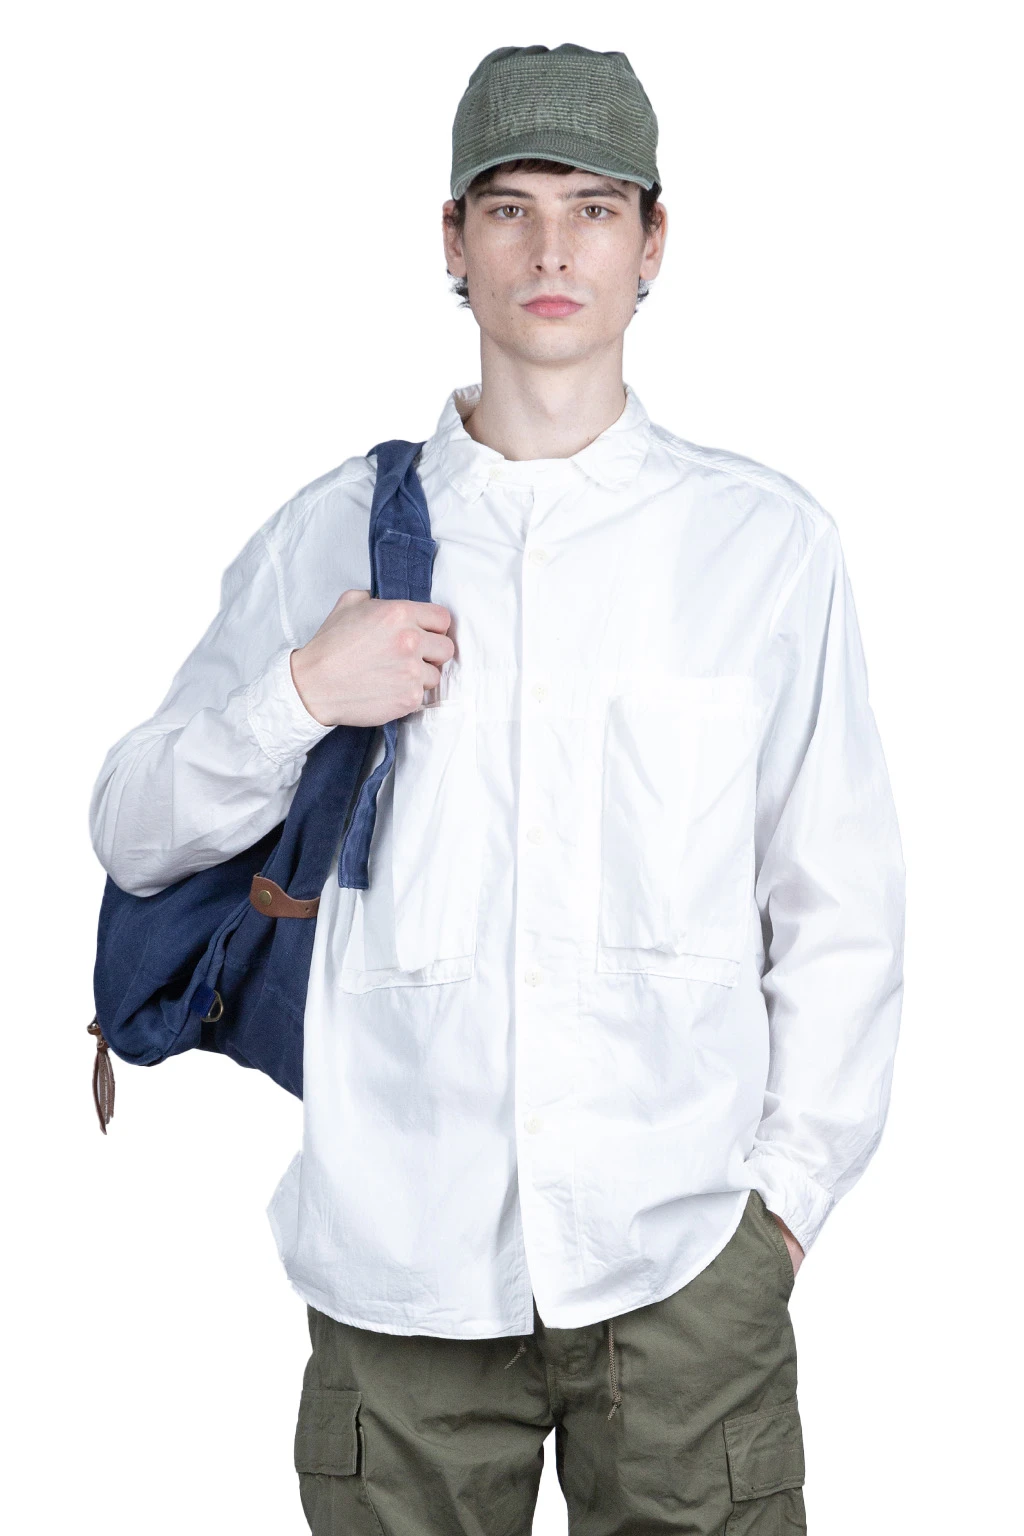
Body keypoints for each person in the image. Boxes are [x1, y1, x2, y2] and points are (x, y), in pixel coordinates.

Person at [89, 41, 906, 1535]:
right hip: (397, 1279)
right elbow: (131, 828)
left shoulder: (764, 547)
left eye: (595, 209)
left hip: (681, 1269)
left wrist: (781, 1215)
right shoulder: (335, 532)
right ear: (452, 242)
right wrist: (300, 694)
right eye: (510, 207)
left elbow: (839, 907)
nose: (551, 250)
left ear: (653, 242)